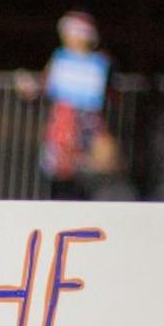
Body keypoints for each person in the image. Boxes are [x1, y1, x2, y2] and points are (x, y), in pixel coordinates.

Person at [20, 11, 112, 200]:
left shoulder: (99, 62)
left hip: (86, 122)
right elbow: (46, 84)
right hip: (63, 121)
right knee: (60, 171)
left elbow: (103, 93)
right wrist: (31, 88)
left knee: (85, 172)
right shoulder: (60, 58)